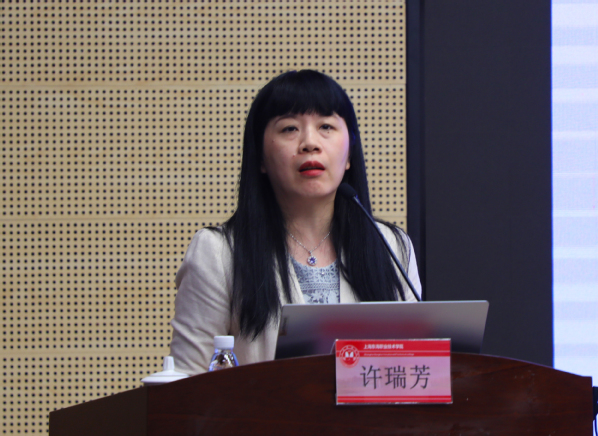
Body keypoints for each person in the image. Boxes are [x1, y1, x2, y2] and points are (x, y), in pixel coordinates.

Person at [170, 70, 422, 375]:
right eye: (289, 128)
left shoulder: (390, 246)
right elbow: (186, 385)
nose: (310, 143)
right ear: (260, 157)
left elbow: (418, 366)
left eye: (326, 126)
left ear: (349, 155)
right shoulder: (219, 253)